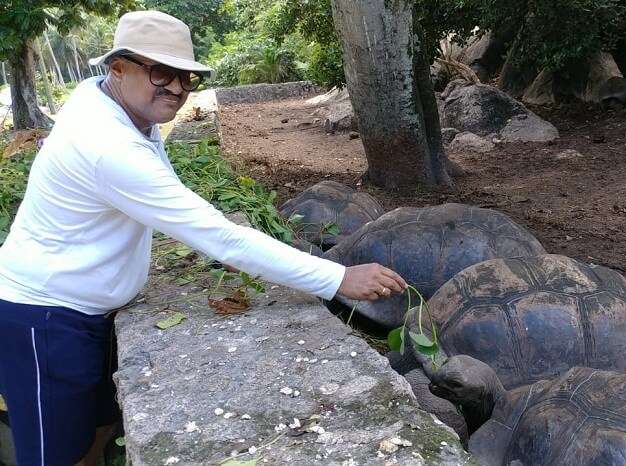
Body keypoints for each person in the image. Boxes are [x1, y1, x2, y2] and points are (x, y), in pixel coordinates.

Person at [0, 10, 406, 466]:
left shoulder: (108, 102)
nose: (175, 87)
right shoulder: (107, 146)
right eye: (160, 72)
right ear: (117, 67)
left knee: (95, 431)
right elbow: (225, 238)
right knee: (55, 457)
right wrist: (338, 277)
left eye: (186, 77)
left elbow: (177, 199)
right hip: (45, 315)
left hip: (87, 309)